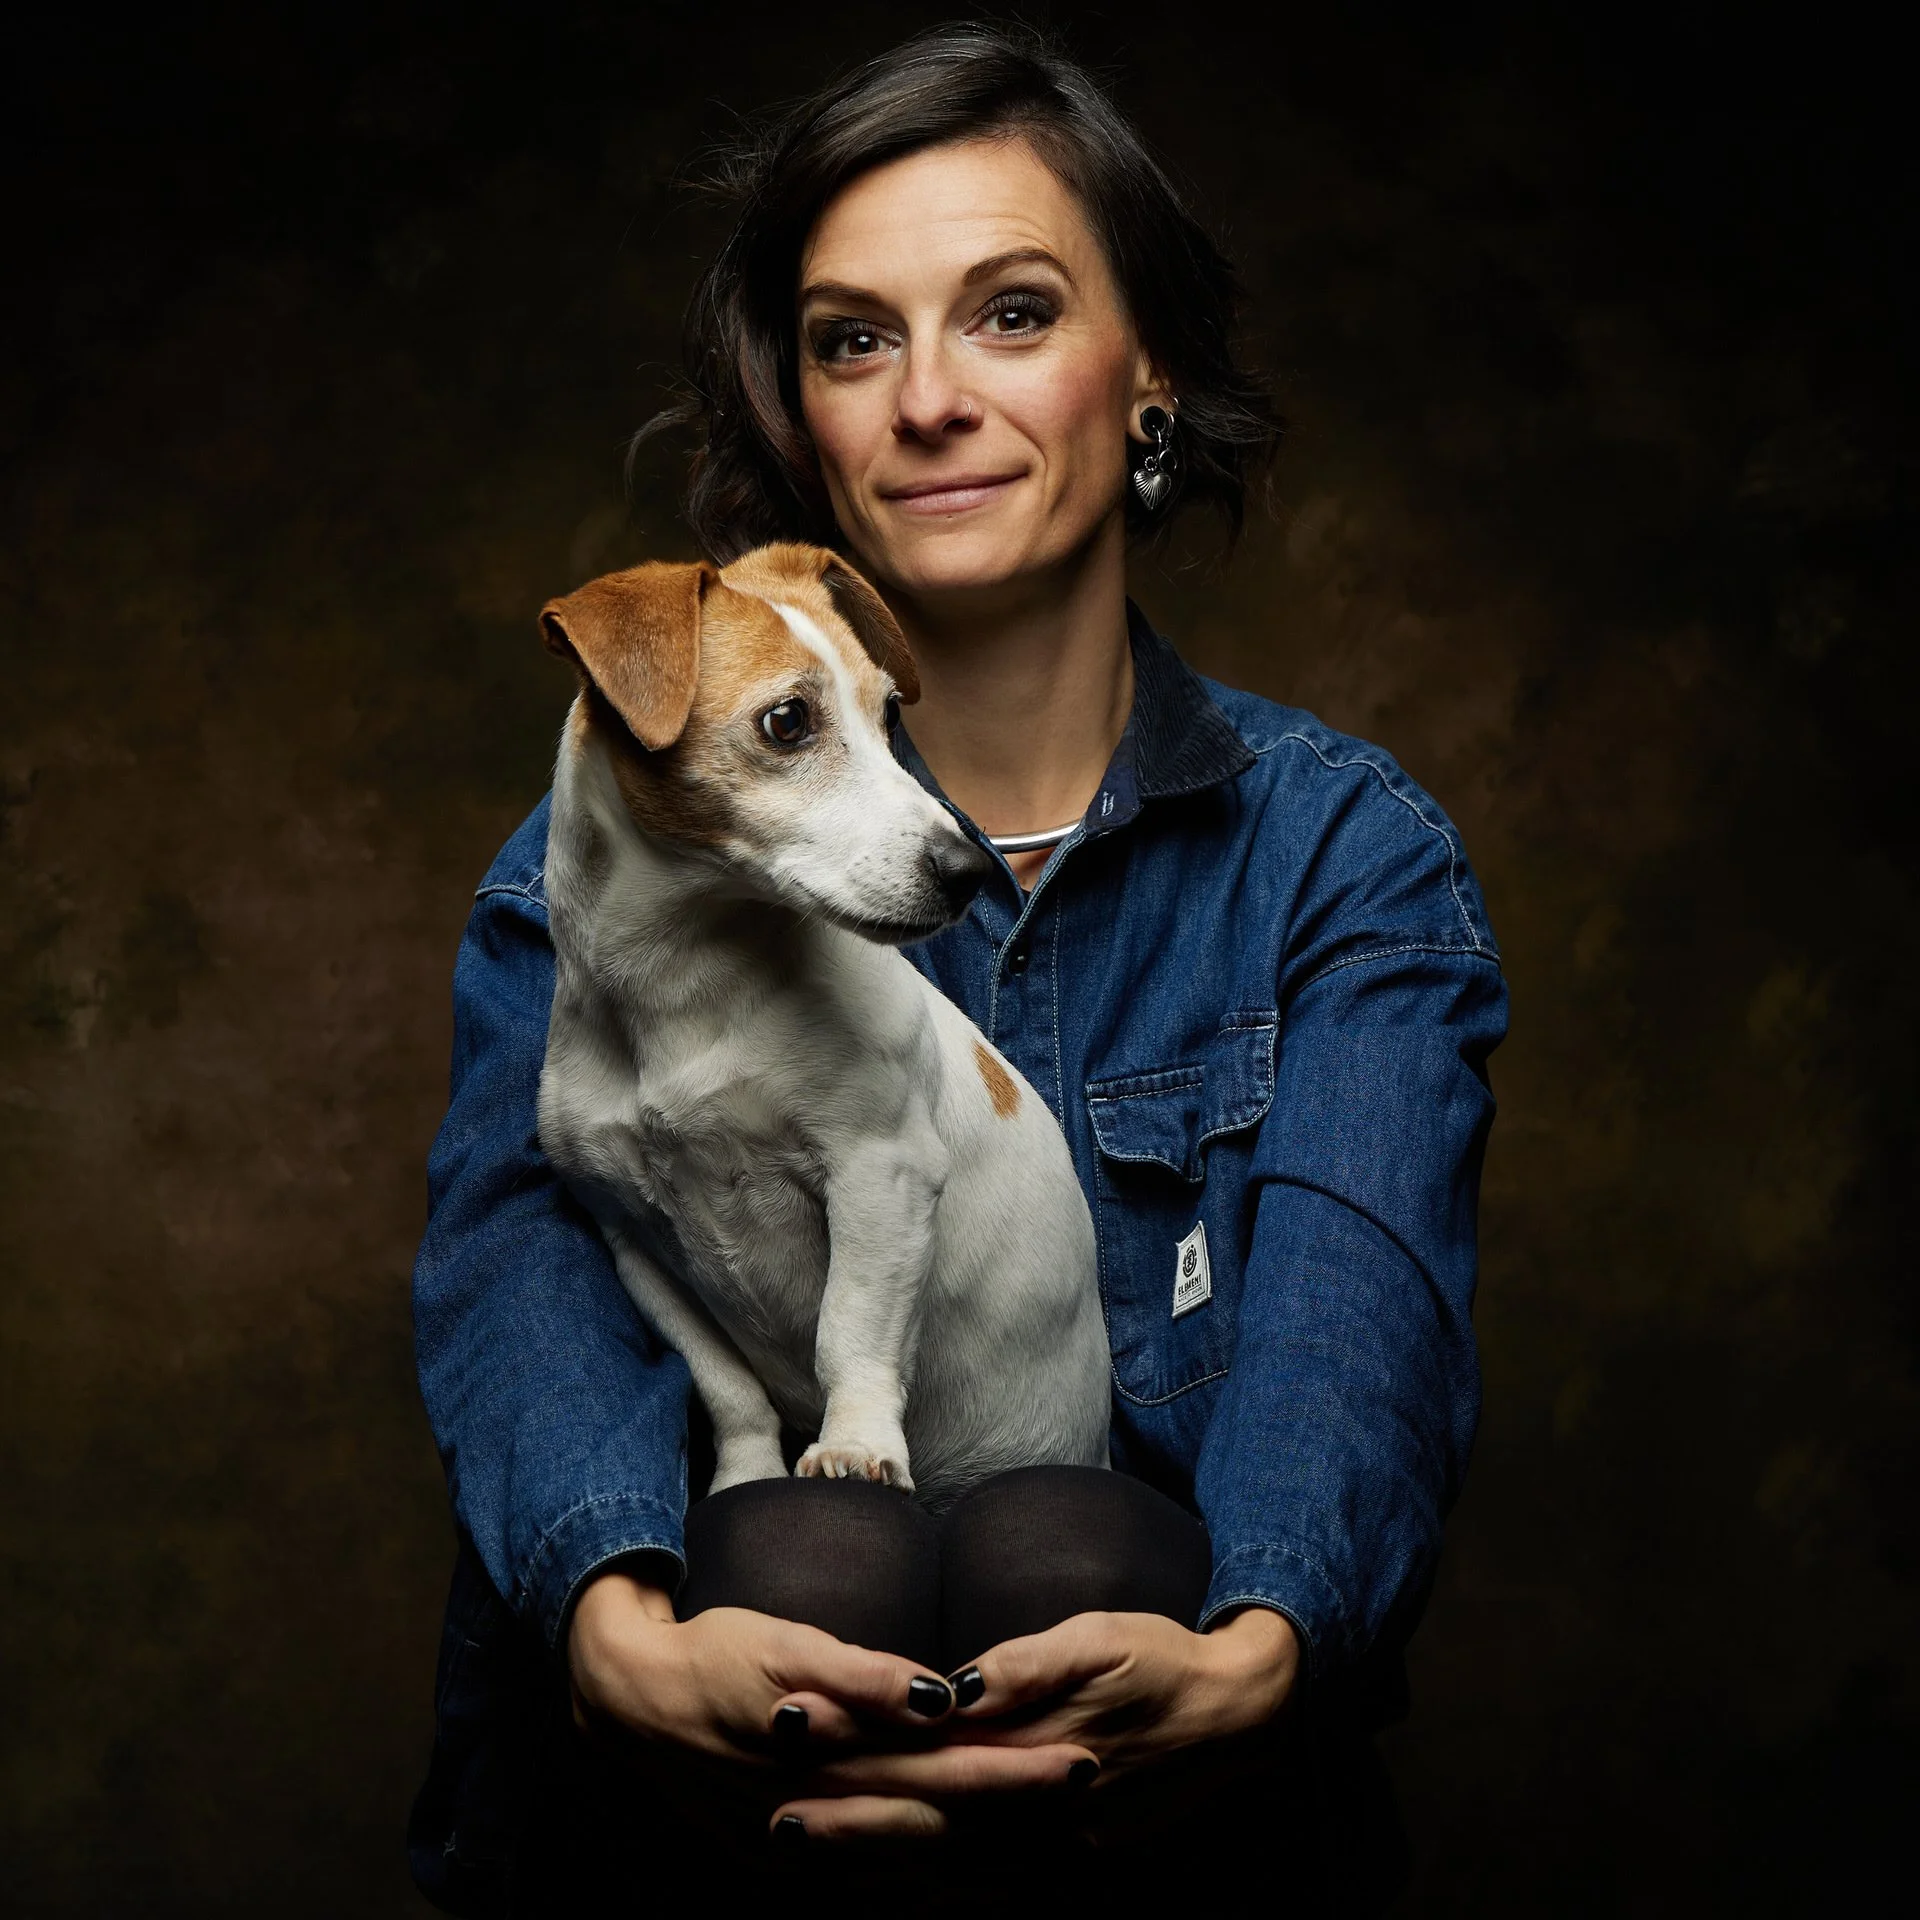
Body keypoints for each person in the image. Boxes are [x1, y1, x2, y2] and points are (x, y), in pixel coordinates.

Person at [408, 23, 1506, 1917]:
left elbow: (1357, 1318)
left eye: (1009, 311)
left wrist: (1257, 1652)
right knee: (796, 1559)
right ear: (805, 417)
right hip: (692, 1794)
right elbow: (523, 1281)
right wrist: (614, 1627)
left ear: (1144, 368)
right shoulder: (583, 867)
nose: (926, 398)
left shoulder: (1341, 853)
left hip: (1175, 1815)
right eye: (853, 338)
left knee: (1060, 1546)